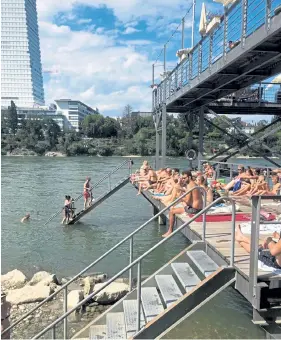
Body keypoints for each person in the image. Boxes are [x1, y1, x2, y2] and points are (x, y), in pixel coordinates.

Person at [162, 170, 203, 238]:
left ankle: (170, 231)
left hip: (194, 210)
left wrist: (179, 196)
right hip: (198, 208)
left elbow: (187, 201)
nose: (183, 179)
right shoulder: (193, 184)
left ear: (189, 177)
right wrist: (182, 190)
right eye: (182, 178)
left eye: (185, 178)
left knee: (172, 211)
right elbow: (190, 196)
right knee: (180, 204)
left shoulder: (190, 186)